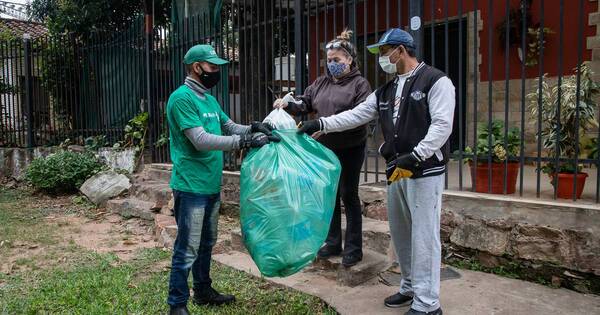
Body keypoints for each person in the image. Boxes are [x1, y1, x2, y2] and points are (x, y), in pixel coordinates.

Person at [297, 28, 455, 315]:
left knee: (424, 236)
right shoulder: (387, 90)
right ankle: (409, 287)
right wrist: (320, 124)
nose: (382, 58)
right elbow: (356, 115)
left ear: (400, 50)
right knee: (401, 233)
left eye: (384, 52)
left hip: (425, 170)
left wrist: (417, 154)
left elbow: (442, 125)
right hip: (397, 171)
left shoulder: (436, 81)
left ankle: (428, 303)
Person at [166, 44, 279, 315]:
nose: (217, 72)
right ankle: (177, 304)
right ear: (196, 67)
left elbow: (228, 126)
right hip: (191, 186)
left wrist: (253, 127)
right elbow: (200, 140)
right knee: (187, 246)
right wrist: (244, 141)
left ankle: (203, 290)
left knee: (207, 242)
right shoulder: (181, 99)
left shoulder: (209, 99)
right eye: (212, 67)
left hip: (210, 184)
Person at [273, 29, 372, 267]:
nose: (332, 64)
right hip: (324, 149)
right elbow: (305, 103)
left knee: (349, 194)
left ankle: (354, 248)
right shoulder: (321, 83)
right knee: (330, 194)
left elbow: (360, 116)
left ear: (349, 59)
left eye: (336, 60)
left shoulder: (360, 85)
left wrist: (326, 126)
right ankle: (333, 242)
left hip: (351, 146)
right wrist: (287, 103)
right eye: (329, 61)